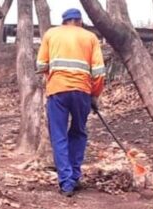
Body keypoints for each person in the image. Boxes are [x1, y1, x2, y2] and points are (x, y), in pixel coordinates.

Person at [36, 8, 106, 197]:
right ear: (80, 21)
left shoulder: (51, 34)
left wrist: (51, 76)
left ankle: (66, 183)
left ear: (64, 22)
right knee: (78, 132)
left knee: (59, 135)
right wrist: (94, 95)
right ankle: (74, 176)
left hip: (57, 91)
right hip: (82, 91)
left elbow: (41, 65)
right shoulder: (90, 37)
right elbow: (99, 72)